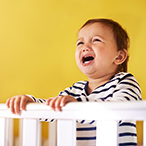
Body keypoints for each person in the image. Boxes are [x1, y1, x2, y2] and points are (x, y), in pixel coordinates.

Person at [6, 18, 142, 146]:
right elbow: (51, 107)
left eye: (96, 40)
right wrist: (31, 101)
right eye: (80, 43)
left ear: (119, 56)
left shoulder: (124, 82)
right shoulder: (75, 90)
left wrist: (78, 107)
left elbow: (120, 110)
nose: (85, 47)